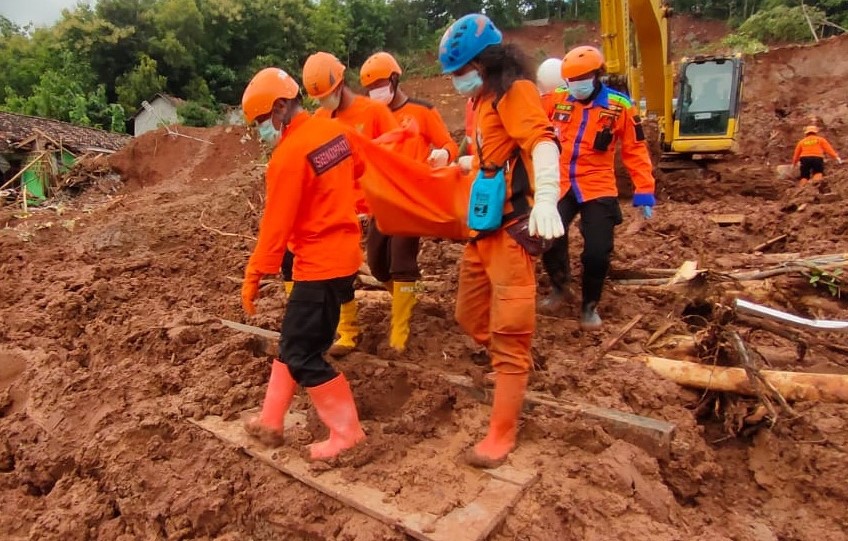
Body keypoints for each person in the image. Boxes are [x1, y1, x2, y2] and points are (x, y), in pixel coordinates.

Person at [439, 13, 564, 467]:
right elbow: (493, 154)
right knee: (469, 315)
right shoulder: (484, 99)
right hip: (483, 230)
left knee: (509, 336)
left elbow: (541, 142)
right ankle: (513, 365)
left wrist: (547, 198)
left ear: (484, 62)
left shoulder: (516, 92)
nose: (458, 82)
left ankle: (502, 432)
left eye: (460, 73)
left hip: (513, 232)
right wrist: (461, 161)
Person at [240, 67, 367, 461]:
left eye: (262, 120)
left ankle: (348, 434)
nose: (262, 129)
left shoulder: (289, 155)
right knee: (296, 341)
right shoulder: (335, 133)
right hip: (342, 258)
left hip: (318, 266)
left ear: (279, 107)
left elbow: (276, 224)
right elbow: (360, 173)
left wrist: (255, 271)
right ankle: (270, 421)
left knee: (302, 354)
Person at [539, 45, 656, 330]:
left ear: (596, 75)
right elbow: (532, 123)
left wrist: (644, 189)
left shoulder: (620, 107)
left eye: (581, 78)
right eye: (571, 80)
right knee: (547, 235)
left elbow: (635, 150)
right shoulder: (557, 99)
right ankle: (559, 285)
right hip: (563, 180)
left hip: (597, 185)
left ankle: (589, 306)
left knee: (597, 251)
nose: (576, 85)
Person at [301, 51, 400, 357]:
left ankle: (404, 305)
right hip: (340, 212)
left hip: (375, 208)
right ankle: (349, 331)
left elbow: (395, 155)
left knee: (383, 266)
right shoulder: (319, 119)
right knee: (339, 271)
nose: (324, 102)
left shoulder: (374, 113)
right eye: (319, 98)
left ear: (341, 83)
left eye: (328, 94)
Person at [359, 51, 459, 352]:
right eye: (369, 88)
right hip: (382, 200)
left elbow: (448, 144)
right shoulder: (372, 116)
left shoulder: (423, 111)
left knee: (402, 262)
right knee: (377, 266)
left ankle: (400, 330)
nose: (374, 92)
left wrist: (444, 155)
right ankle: (407, 297)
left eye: (379, 84)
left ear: (394, 79)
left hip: (412, 201)